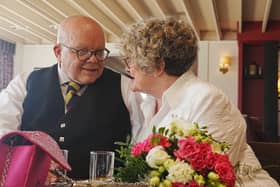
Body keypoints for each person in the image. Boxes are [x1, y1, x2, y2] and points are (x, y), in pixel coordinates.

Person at [120, 18, 279, 186]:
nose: (127, 68)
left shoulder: (207, 100)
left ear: (158, 67)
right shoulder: (149, 105)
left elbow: (206, 178)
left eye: (131, 61)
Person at [0, 15, 131, 179]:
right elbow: (3, 133)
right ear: (58, 52)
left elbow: (141, 141)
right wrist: (30, 167)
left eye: (99, 52)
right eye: (82, 51)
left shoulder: (125, 87)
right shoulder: (24, 83)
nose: (93, 60)